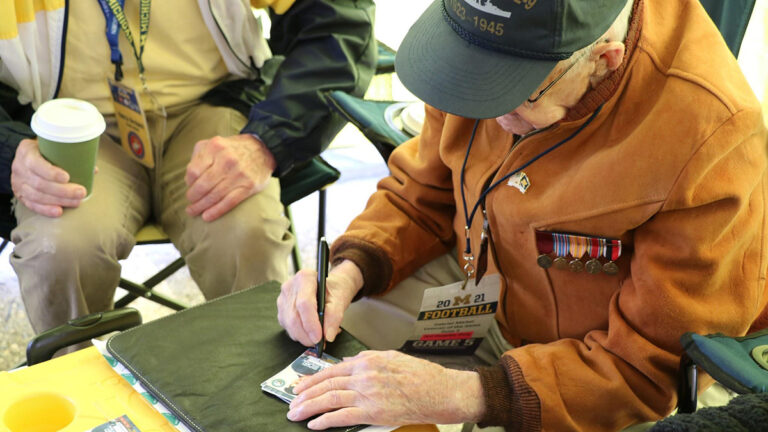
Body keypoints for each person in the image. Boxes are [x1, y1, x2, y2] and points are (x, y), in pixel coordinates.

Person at [277, 0, 768, 430]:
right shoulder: (478, 48)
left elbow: (647, 368)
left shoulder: (712, 139)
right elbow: (420, 192)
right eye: (473, 80)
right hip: (476, 278)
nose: (484, 115)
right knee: (321, 352)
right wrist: (349, 269)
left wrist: (465, 395)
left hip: (596, 369)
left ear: (603, 60)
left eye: (514, 94)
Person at [0, 0, 375, 334]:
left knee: (247, 235)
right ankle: (77, 396)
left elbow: (339, 20)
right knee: (60, 250)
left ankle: (262, 391)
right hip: (68, 125)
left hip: (210, 109)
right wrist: (8, 148)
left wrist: (267, 141)